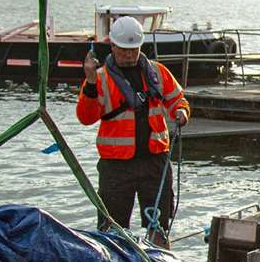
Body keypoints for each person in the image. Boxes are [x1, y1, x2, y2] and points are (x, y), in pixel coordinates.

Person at [77, 15, 190, 246]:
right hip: (116, 167)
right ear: (113, 47)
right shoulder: (99, 78)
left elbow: (178, 99)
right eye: (123, 50)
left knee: (158, 225)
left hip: (155, 161)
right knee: (112, 230)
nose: (128, 55)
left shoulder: (157, 73)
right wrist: (89, 83)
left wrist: (182, 112)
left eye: (133, 50)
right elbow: (86, 117)